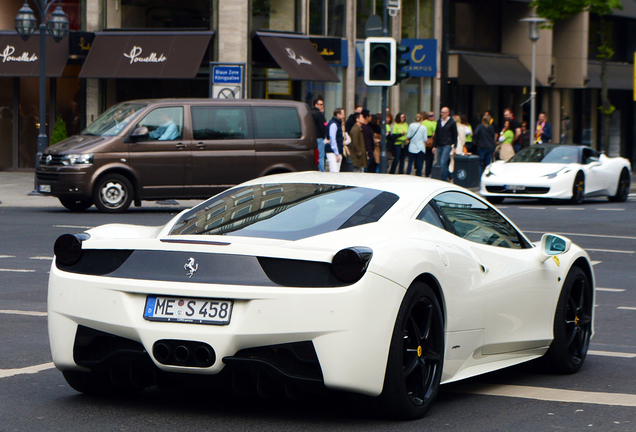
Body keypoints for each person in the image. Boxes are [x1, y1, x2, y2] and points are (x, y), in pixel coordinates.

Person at [432, 107, 458, 182]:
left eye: (444, 112)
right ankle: (450, 175)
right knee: (440, 163)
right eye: (441, 112)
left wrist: (455, 147)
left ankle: (444, 180)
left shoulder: (452, 122)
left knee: (443, 162)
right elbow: (436, 134)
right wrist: (434, 146)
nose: (442, 114)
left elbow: (455, 134)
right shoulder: (439, 121)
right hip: (439, 144)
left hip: (447, 144)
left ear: (448, 113)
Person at [311, 97, 329, 172]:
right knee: (320, 157)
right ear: (316, 104)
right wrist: (324, 135)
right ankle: (321, 172)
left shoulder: (309, 113)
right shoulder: (319, 114)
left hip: (311, 138)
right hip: (319, 138)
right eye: (321, 104)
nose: (322, 106)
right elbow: (323, 126)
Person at [326, 108, 345, 172]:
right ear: (338, 114)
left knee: (336, 171)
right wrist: (336, 153)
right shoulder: (334, 124)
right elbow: (332, 138)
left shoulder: (336, 123)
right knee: (334, 171)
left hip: (336, 150)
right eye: (343, 114)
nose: (344, 116)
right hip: (333, 151)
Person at [422, 111, 437, 177]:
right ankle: (428, 172)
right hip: (430, 140)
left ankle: (421, 171)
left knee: (422, 157)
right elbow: (435, 133)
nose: (432, 117)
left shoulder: (423, 123)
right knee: (429, 158)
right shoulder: (433, 124)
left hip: (423, 141)